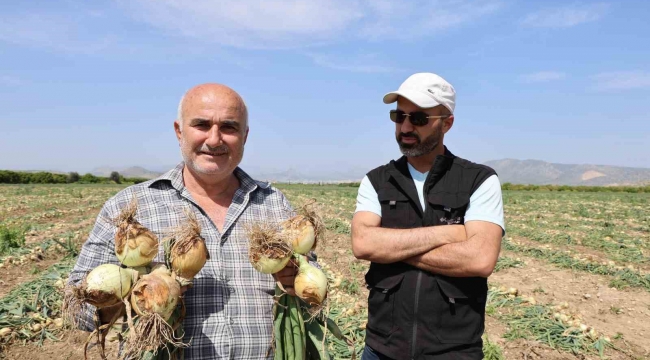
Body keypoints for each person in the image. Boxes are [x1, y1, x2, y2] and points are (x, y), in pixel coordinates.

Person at [68, 83, 298, 359]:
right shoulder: (128, 207)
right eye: (201, 125)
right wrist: (141, 290)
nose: (214, 139)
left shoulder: (275, 203)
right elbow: (78, 310)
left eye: (229, 127)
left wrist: (297, 279)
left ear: (245, 135)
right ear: (179, 131)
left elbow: (309, 285)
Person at [351, 73, 505, 360]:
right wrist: (446, 234)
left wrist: (391, 248)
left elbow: (480, 258)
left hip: (453, 351)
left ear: (446, 123)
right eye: (399, 116)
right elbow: (363, 244)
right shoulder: (376, 180)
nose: (406, 126)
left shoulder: (479, 180)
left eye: (419, 118)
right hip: (382, 349)